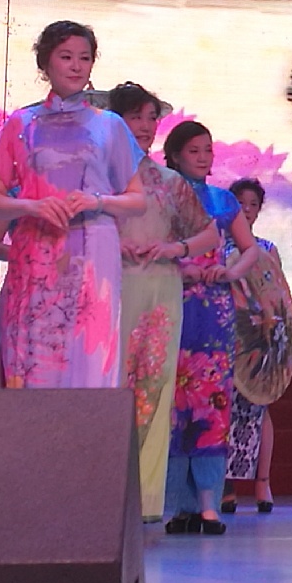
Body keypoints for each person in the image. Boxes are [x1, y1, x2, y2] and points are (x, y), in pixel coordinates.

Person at [0, 21, 145, 388]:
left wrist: (97, 200)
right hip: (36, 252)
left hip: (94, 253)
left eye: (84, 58)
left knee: (89, 357)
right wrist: (31, 206)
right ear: (45, 63)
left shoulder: (110, 125)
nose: (76, 66)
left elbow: (137, 200)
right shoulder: (22, 123)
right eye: (66, 57)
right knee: (35, 361)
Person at [108, 82, 220, 521]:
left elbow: (208, 234)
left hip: (160, 292)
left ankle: (146, 498)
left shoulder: (169, 182)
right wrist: (109, 245)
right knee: (109, 387)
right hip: (111, 288)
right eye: (135, 117)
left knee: (151, 391)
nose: (144, 126)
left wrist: (175, 249)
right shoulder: (98, 178)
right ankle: (102, 491)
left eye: (151, 118)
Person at [162, 120, 260, 535]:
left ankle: (208, 505)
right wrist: (178, 269)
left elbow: (249, 248)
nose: (203, 158)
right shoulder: (162, 196)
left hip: (214, 312)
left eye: (208, 150)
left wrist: (230, 272)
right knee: (172, 404)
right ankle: (177, 505)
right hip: (172, 303)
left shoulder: (222, 200)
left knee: (211, 403)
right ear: (174, 156)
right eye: (194, 151)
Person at [222, 177, 285, 515]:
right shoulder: (217, 245)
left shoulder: (267, 248)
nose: (246, 210)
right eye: (240, 204)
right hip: (224, 332)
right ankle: (224, 482)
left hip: (258, 337)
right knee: (222, 406)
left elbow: (277, 294)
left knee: (259, 405)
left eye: (253, 205)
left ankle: (263, 481)